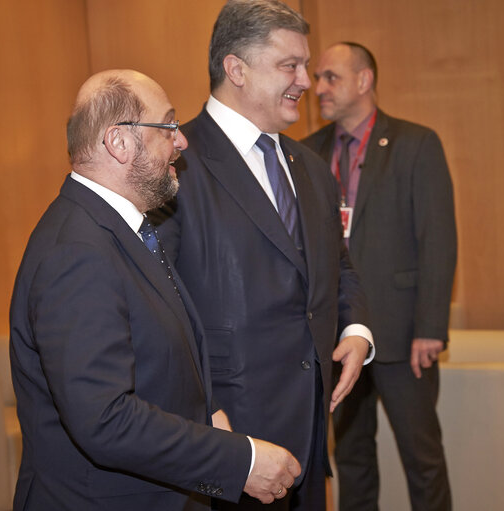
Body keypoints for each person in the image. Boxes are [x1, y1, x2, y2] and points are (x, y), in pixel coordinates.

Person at [9, 69, 301, 511]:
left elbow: (153, 363)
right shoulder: (76, 250)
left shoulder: (121, 231)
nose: (181, 141)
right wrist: (240, 462)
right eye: (167, 126)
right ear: (119, 142)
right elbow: (104, 419)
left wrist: (210, 421)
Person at [153, 1, 373, 509]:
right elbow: (160, 308)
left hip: (313, 434)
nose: (306, 81)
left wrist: (356, 330)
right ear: (236, 69)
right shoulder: (175, 167)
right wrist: (207, 412)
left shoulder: (312, 168)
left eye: (306, 65)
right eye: (289, 66)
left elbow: (339, 267)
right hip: (230, 439)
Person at [301, 42, 457, 511]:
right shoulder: (308, 152)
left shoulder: (416, 143)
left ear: (364, 80)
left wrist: (430, 327)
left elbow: (438, 239)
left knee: (422, 457)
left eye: (331, 77)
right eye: (318, 77)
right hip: (338, 337)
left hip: (402, 334)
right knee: (350, 457)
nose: (317, 88)